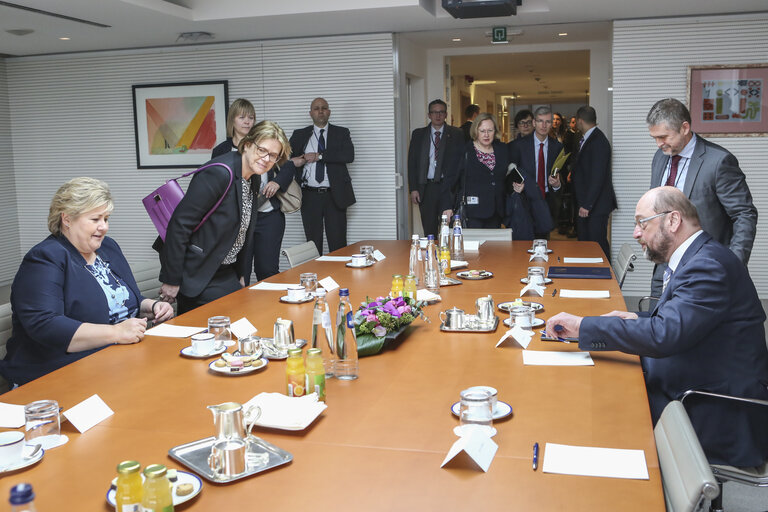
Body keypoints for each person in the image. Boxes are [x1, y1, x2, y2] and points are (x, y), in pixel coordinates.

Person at [546, 187, 768, 468]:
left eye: (642, 223)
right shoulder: (697, 257)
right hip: (697, 376)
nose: (636, 233)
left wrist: (583, 326)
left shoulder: (708, 266)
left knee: (596, 410)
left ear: (673, 221)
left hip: (717, 407)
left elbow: (664, 336)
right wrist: (637, 320)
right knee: (595, 389)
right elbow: (683, 320)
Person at [0, 178, 174, 386]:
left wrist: (151, 306)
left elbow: (122, 299)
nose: (104, 227)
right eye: (95, 219)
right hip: (56, 372)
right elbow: (45, 325)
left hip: (117, 359)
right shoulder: (45, 258)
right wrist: (116, 333)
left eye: (106, 218)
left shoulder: (107, 247)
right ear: (67, 219)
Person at [160, 120, 294, 313]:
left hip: (224, 272)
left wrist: (241, 274)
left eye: (273, 155)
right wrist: (171, 279)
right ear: (247, 144)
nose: (266, 158)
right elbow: (179, 225)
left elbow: (244, 230)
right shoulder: (219, 172)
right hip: (198, 274)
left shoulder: (253, 176)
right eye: (261, 150)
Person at [646, 98, 757, 298]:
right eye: (654, 137)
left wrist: (733, 263)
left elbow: (744, 214)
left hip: (706, 268)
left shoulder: (719, 161)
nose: (658, 144)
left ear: (685, 127)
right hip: (664, 266)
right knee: (659, 322)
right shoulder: (659, 157)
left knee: (698, 327)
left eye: (663, 136)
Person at [289, 98, 355, 254]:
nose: (320, 111)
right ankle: (315, 277)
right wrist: (300, 159)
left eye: (324, 108)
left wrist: (319, 156)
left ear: (329, 112)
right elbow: (287, 158)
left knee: (338, 243)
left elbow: (348, 156)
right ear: (310, 113)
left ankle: (340, 277)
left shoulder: (341, 132)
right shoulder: (299, 134)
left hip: (335, 195)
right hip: (309, 195)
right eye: (316, 108)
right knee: (312, 243)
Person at [407, 99, 464, 237]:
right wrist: (413, 188)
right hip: (427, 187)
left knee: (449, 227)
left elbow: (461, 164)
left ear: (446, 114)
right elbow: (412, 163)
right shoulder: (418, 134)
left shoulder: (457, 134)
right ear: (429, 115)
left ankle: (448, 256)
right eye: (434, 112)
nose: (437, 115)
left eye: (441, 112)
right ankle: (431, 255)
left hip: (448, 187)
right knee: (429, 227)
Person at [440, 113, 507, 228]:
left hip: (496, 212)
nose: (486, 135)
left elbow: (506, 177)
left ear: (495, 131)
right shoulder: (464, 151)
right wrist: (447, 206)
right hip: (472, 212)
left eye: (490, 130)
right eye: (482, 131)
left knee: (494, 245)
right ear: (475, 131)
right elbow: (449, 181)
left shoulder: (502, 150)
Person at [507, 106, 562, 239]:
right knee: (522, 244)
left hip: (546, 201)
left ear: (551, 124)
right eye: (540, 121)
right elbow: (510, 173)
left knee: (543, 244)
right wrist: (516, 186)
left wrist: (557, 184)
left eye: (548, 122)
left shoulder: (558, 147)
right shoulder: (518, 146)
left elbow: (562, 176)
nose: (544, 125)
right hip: (524, 200)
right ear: (534, 123)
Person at [571, 105, 616, 260]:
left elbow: (598, 176)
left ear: (580, 121)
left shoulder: (598, 141)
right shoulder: (590, 138)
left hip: (595, 206)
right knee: (586, 244)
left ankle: (606, 278)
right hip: (589, 204)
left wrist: (587, 204)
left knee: (597, 244)